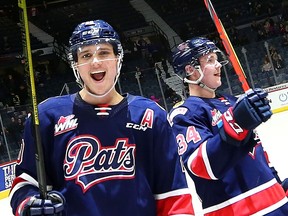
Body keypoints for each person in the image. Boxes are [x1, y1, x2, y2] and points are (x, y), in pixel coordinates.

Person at [9, 20, 194, 216]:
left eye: (104, 52)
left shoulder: (150, 116)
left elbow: (174, 196)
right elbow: (24, 183)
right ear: (76, 65)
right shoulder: (47, 116)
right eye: (86, 55)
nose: (95, 61)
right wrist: (29, 203)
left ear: (117, 58)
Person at [168, 37, 288, 215]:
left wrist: (279, 186)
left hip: (276, 204)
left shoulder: (232, 102)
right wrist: (236, 123)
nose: (218, 65)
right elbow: (202, 167)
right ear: (190, 69)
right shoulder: (184, 114)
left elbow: (257, 152)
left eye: (216, 59)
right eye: (210, 60)